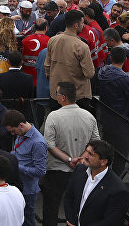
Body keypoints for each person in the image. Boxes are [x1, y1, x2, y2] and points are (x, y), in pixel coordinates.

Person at [41, 81, 99, 226]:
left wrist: (69, 159)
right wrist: (82, 158)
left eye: (57, 94)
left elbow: (49, 145)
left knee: (51, 209)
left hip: (56, 170)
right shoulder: (89, 116)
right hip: (82, 170)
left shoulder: (53, 116)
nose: (56, 96)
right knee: (78, 208)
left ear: (63, 97)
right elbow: (96, 142)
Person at [97, 45, 129, 176]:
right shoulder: (125, 79)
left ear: (110, 58)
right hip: (122, 120)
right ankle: (116, 180)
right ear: (125, 60)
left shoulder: (102, 72)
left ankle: (102, 176)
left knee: (106, 150)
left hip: (105, 118)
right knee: (121, 155)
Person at [63, 140, 129, 226]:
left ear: (103, 162)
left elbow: (111, 222)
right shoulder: (80, 170)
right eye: (86, 151)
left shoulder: (118, 190)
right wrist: (71, 220)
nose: (86, 156)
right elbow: (69, 196)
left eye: (91, 154)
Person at [2, 110, 46, 226]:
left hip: (27, 190)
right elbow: (18, 152)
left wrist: (17, 166)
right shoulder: (21, 133)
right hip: (17, 184)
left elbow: (40, 171)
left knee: (27, 220)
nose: (12, 134)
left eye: (13, 131)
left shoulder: (38, 143)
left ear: (20, 125)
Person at [43, 9, 95, 110]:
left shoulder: (52, 40)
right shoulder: (81, 46)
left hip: (56, 94)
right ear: (76, 25)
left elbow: (47, 66)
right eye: (82, 23)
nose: (83, 25)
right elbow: (89, 73)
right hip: (77, 96)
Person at [0, 52, 34, 123]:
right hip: (23, 112)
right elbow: (30, 95)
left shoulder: (0, 77)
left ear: (8, 61)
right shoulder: (28, 78)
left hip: (5, 112)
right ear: (21, 63)